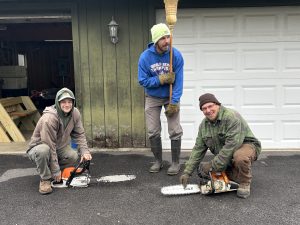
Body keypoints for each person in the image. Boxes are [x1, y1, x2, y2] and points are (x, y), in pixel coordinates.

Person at [179, 93, 261, 198]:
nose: (208, 110)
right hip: (226, 153)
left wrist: (214, 165)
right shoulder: (203, 126)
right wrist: (187, 172)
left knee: (240, 157)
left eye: (210, 106)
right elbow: (198, 149)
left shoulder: (231, 117)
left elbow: (232, 145)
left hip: (245, 145)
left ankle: (244, 182)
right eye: (204, 108)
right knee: (205, 170)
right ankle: (232, 173)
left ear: (217, 105)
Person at [138, 23, 184, 175]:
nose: (167, 41)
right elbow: (143, 81)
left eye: (168, 37)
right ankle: (158, 161)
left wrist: (175, 101)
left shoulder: (175, 55)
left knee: (175, 130)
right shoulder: (145, 57)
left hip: (170, 96)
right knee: (153, 131)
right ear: (156, 40)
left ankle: (176, 163)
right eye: (163, 38)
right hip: (152, 97)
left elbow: (179, 81)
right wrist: (162, 79)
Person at [27, 87, 92, 194]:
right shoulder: (49, 118)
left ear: (73, 102)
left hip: (58, 147)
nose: (67, 105)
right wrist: (56, 169)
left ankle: (53, 173)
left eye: (69, 102)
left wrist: (85, 151)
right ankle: (45, 179)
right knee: (43, 151)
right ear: (58, 103)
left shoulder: (75, 113)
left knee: (73, 155)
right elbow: (49, 145)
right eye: (63, 102)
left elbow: (79, 134)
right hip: (40, 148)